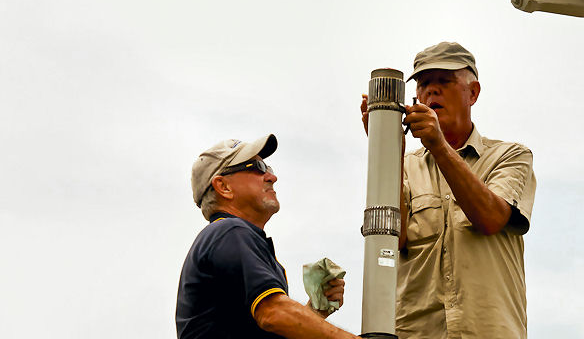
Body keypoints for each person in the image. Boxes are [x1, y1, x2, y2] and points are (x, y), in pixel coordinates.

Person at [360, 42, 537, 339]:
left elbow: (491, 218)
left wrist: (439, 146)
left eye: (445, 81)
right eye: (424, 84)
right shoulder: (405, 165)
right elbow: (396, 237)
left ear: (473, 92)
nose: (432, 91)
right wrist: (387, 148)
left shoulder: (510, 156)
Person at [176, 134, 359, 339]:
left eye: (268, 168)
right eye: (256, 168)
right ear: (223, 187)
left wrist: (315, 311)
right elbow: (273, 314)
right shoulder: (230, 232)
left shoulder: (231, 238)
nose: (272, 177)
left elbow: (271, 320)